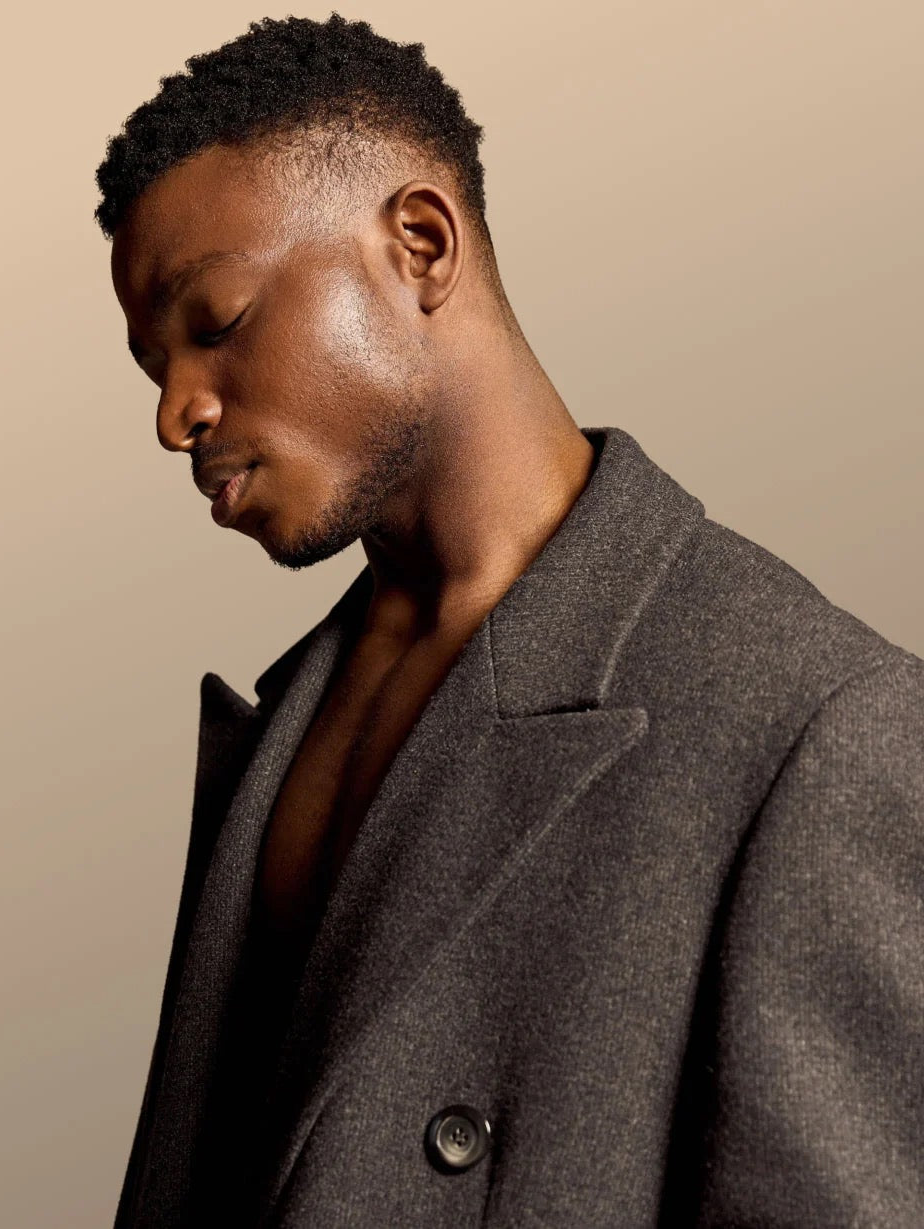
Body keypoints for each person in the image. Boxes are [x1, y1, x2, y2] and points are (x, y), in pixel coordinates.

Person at [95, 14, 924, 1228]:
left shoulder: (816, 727)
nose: (176, 414)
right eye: (152, 366)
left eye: (215, 321)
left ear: (420, 244)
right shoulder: (280, 724)